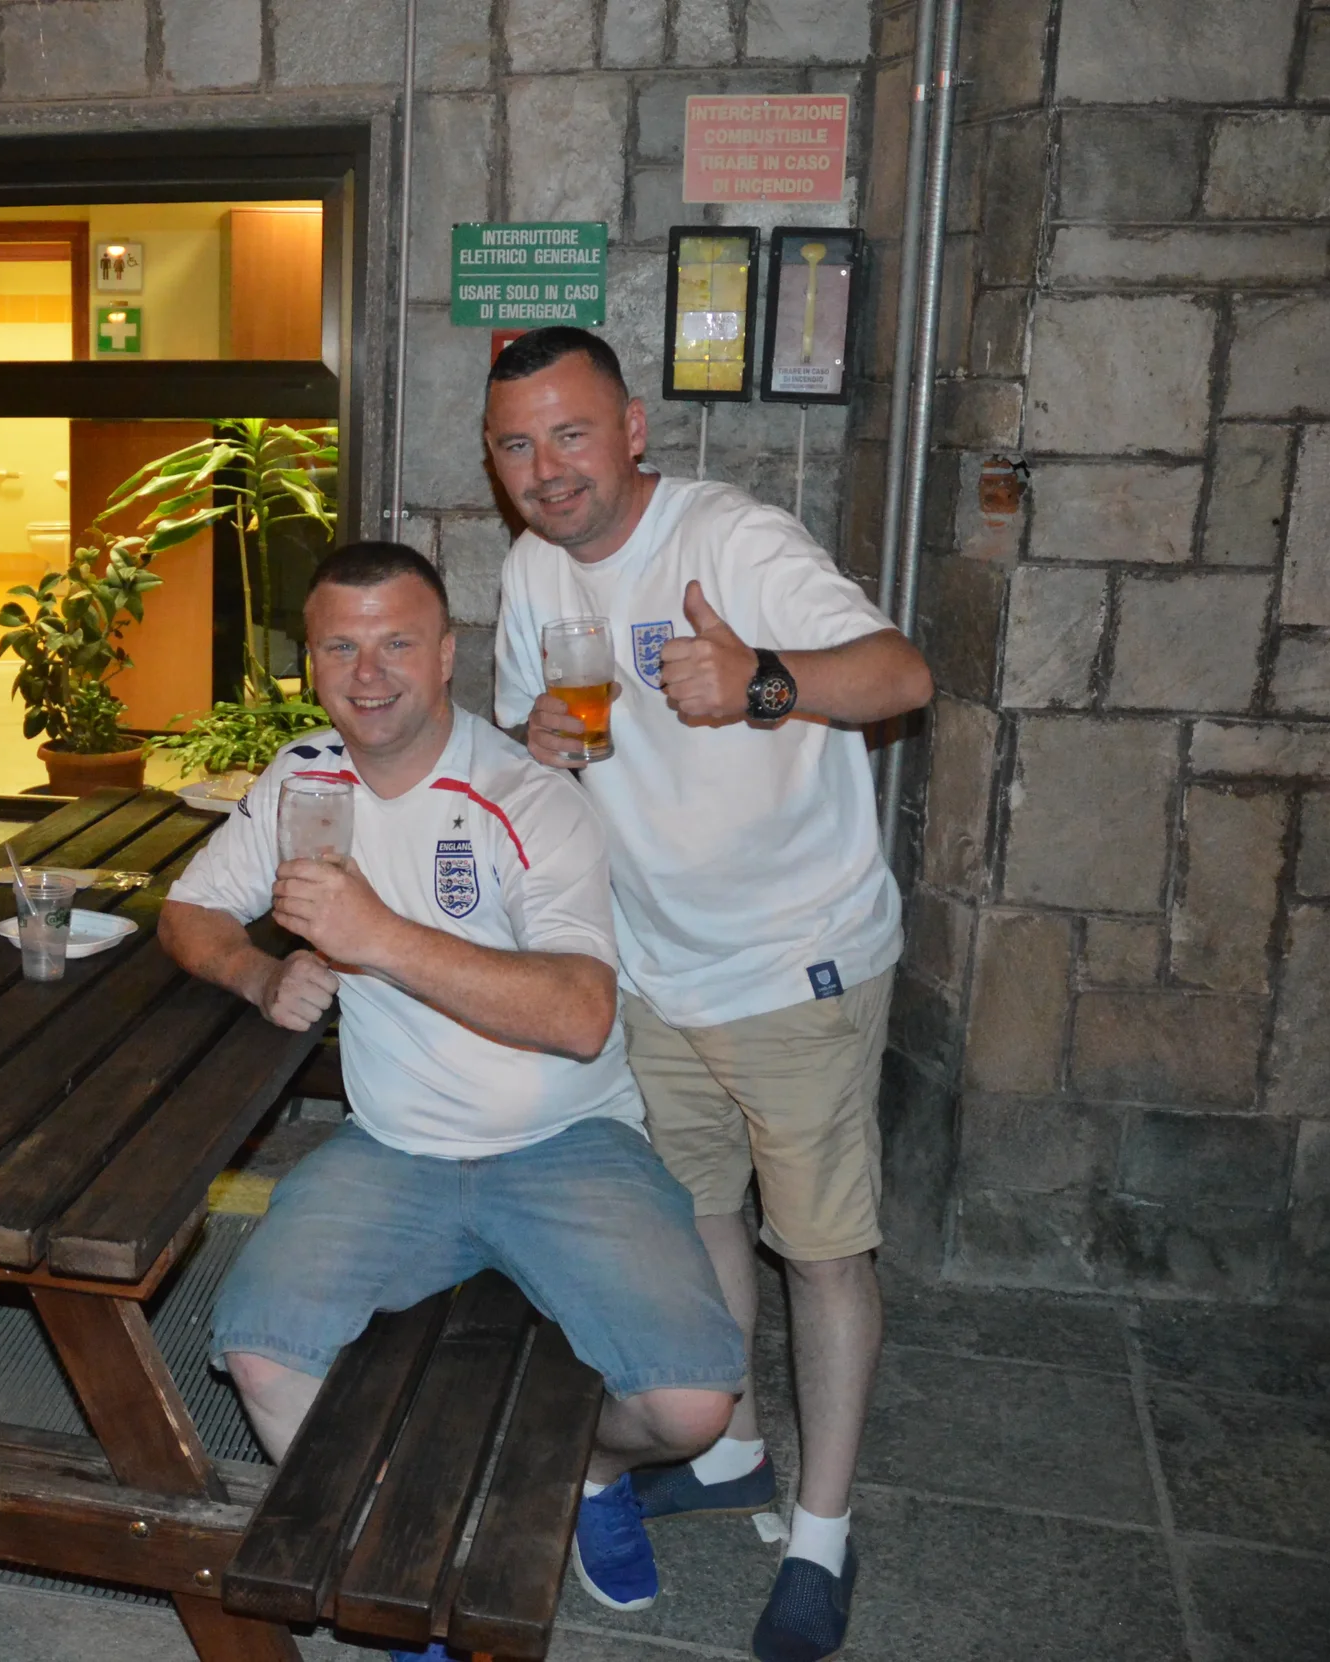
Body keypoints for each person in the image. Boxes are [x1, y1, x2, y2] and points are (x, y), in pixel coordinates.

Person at [160, 542, 746, 1662]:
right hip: (392, 1148)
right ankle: (397, 1559)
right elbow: (190, 910)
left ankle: (592, 1474)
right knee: (258, 1353)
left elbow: (581, 1016)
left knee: (690, 1409)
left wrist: (377, 935)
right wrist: (259, 973)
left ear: (446, 654)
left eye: (395, 643)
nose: (367, 672)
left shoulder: (531, 797)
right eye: (340, 645)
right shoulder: (305, 779)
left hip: (566, 1141)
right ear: (311, 663)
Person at [485, 326, 933, 1662]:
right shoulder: (526, 568)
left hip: (796, 963)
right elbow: (529, 735)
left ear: (631, 428)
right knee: (703, 1219)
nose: (546, 468)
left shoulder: (731, 540)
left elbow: (903, 676)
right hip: (655, 964)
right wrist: (535, 740)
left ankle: (823, 1527)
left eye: (570, 432)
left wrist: (764, 684)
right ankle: (731, 1443)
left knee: (824, 1247)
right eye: (517, 444)